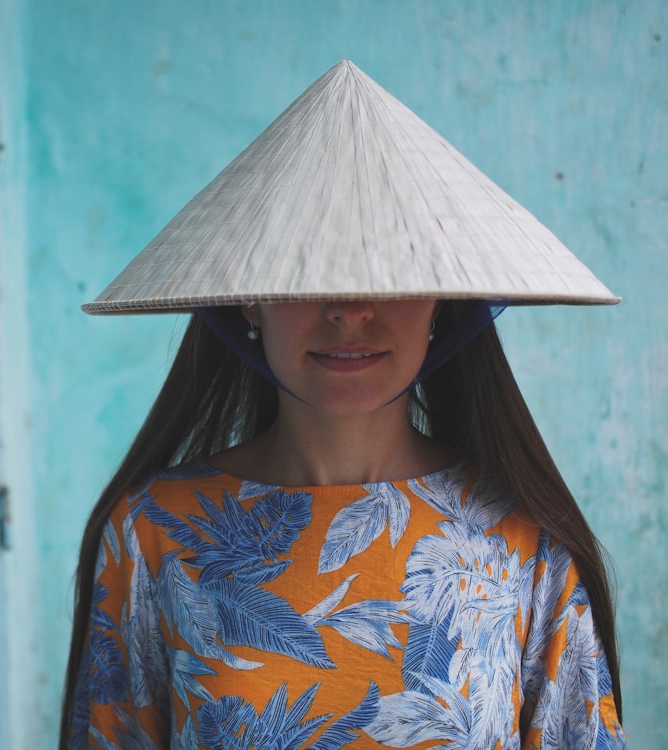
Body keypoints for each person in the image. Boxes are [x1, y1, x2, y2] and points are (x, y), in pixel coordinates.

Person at [61, 61, 625, 749]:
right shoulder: (152, 532)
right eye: (306, 271)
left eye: (390, 274)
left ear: (441, 302)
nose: (350, 312)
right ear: (248, 297)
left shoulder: (522, 545)